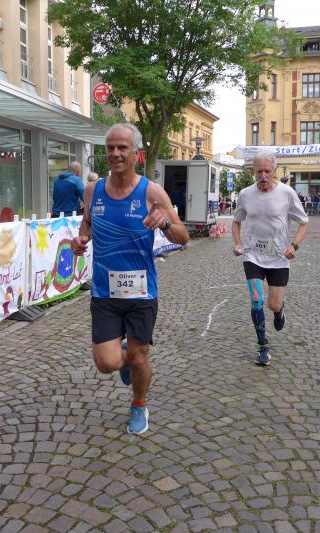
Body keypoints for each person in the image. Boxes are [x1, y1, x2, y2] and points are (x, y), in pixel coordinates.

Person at [71, 123, 188, 435]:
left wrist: (165, 224)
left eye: (122, 147)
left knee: (138, 358)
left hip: (141, 292)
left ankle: (138, 404)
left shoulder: (151, 192)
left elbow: (184, 236)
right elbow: (87, 224)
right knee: (106, 363)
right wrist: (81, 239)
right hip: (104, 291)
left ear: (137, 154)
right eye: (110, 147)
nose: (115, 153)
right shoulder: (93, 190)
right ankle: (126, 358)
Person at [232, 153, 309, 366]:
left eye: (268, 171)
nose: (264, 176)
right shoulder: (245, 194)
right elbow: (236, 221)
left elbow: (304, 222)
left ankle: (279, 310)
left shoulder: (287, 193)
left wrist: (294, 245)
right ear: (253, 172)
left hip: (278, 257)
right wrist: (237, 243)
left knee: (273, 304)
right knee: (256, 299)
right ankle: (262, 347)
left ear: (274, 171)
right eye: (259, 172)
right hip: (253, 255)